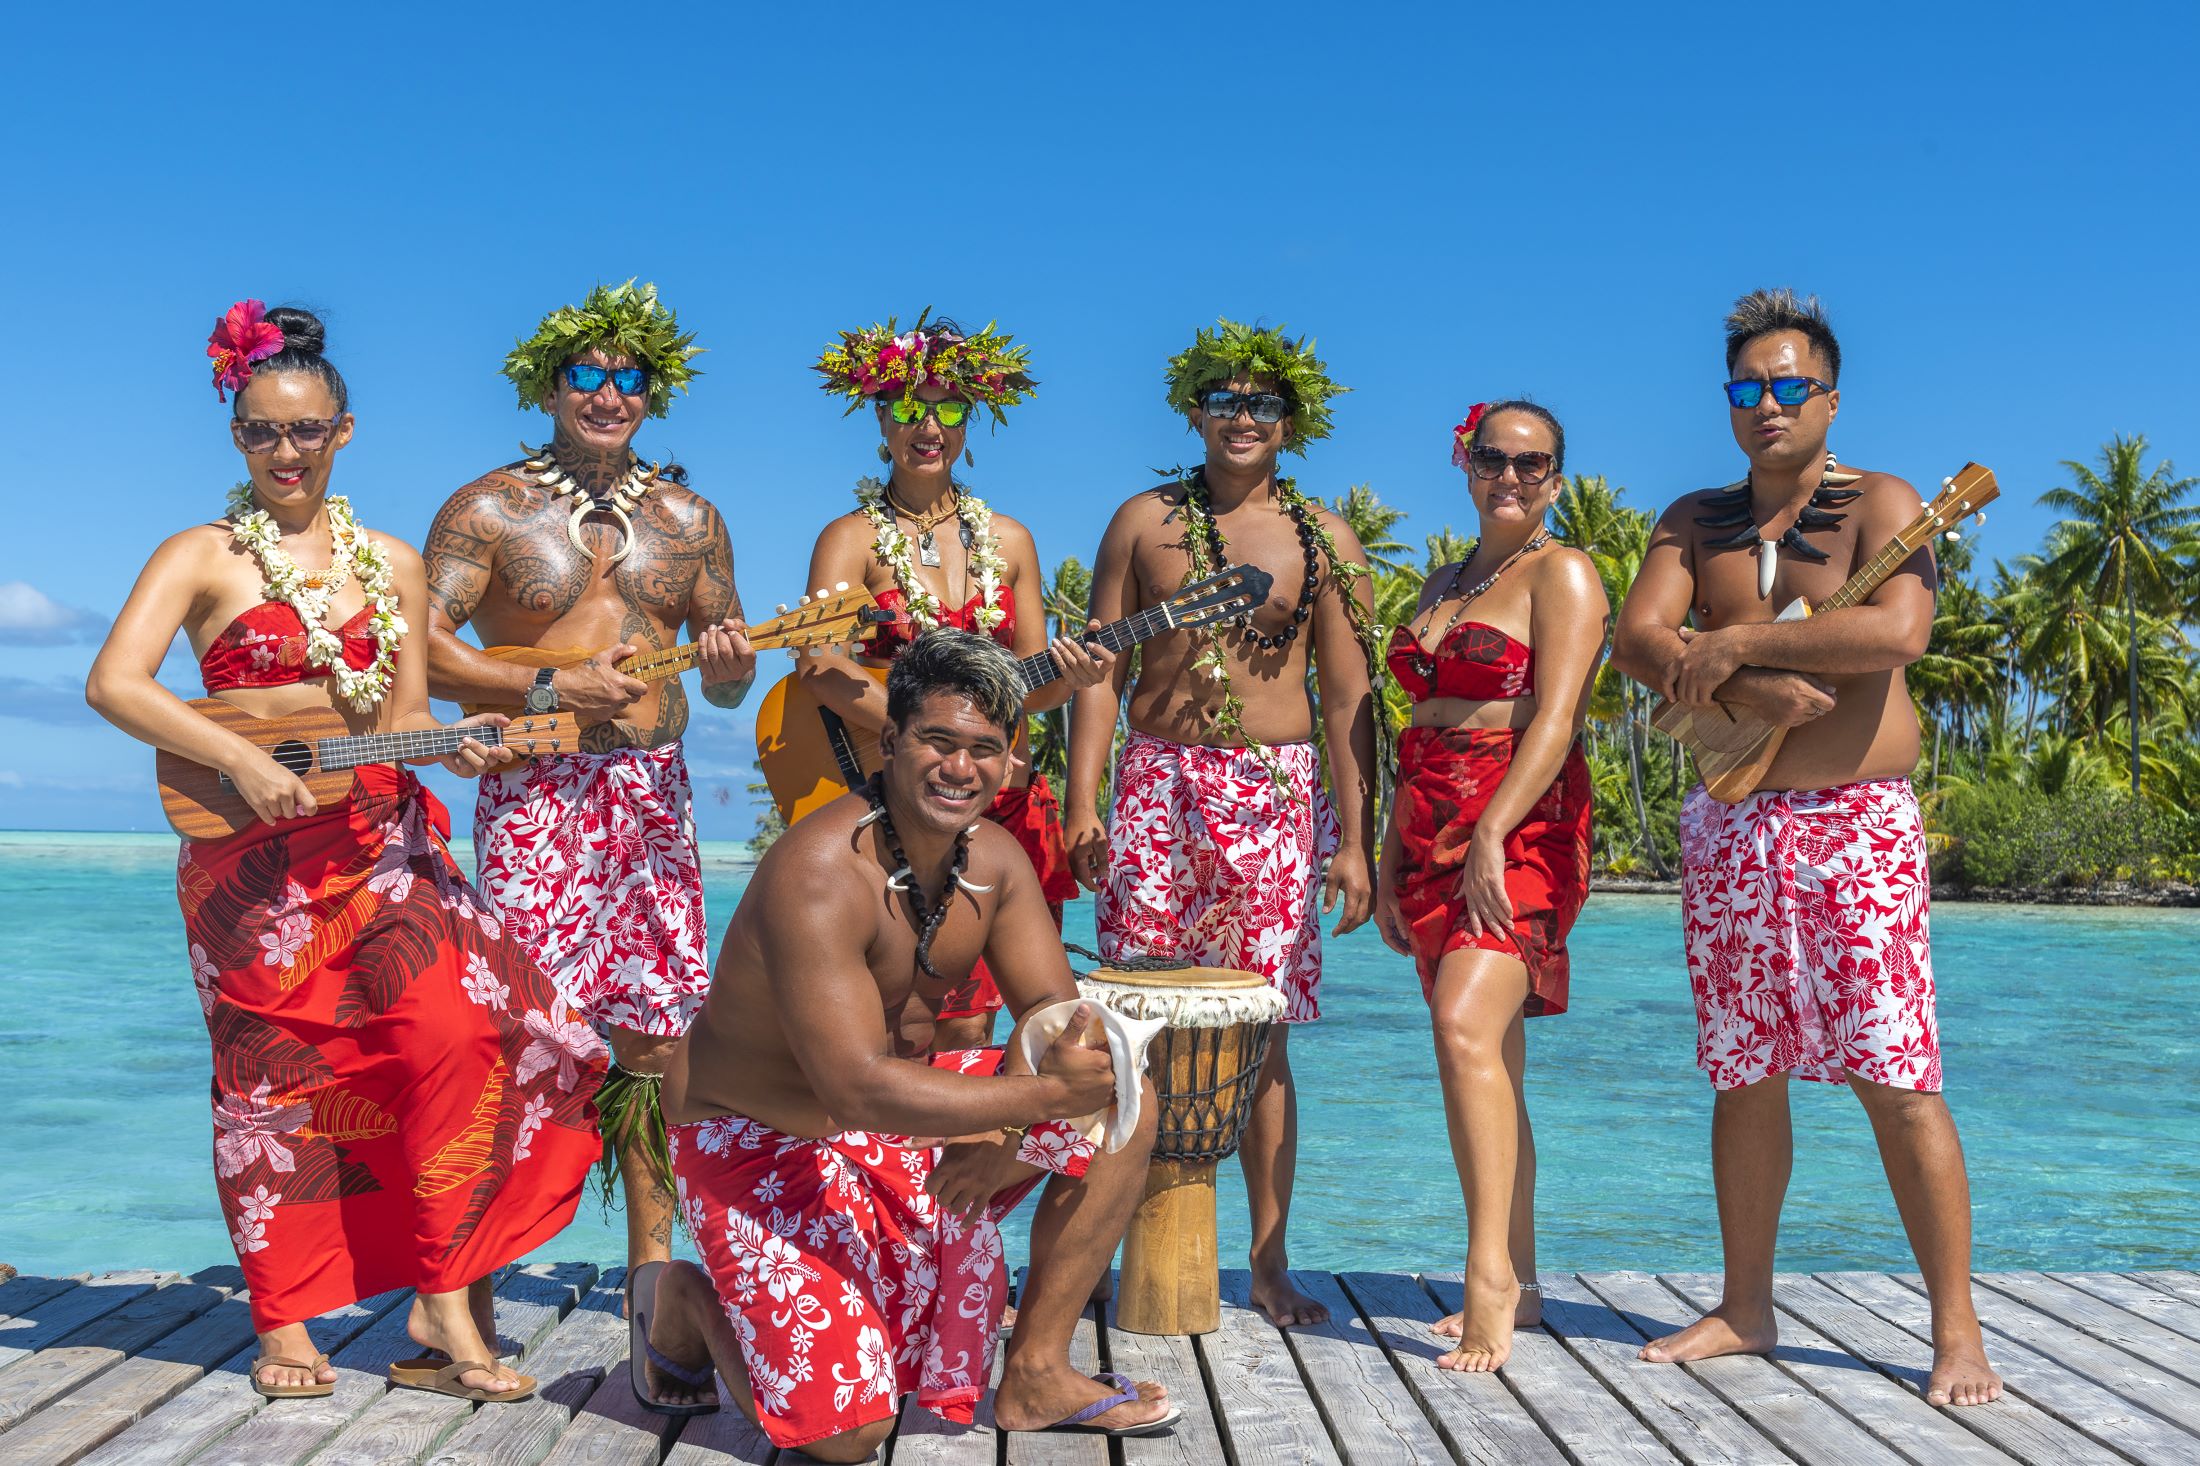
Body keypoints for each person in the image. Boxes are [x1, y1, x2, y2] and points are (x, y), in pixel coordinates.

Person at [86, 302, 604, 1403]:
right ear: (236, 437)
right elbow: (115, 683)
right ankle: (286, 1315)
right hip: (253, 865)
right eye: (262, 433)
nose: (285, 452)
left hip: (382, 842)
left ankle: (441, 1299)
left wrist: (461, 748)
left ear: (344, 430)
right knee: (274, 1085)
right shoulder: (202, 553)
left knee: (472, 1034)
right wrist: (239, 755)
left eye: (306, 430)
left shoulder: (392, 563)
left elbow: (404, 718)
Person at [642, 630, 1176, 1460]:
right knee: (850, 1436)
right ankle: (685, 1300)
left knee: (1125, 1103)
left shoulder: (994, 862)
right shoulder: (819, 872)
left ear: (1010, 765)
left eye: (985, 750)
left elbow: (1060, 1023)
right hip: (758, 1142)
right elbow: (854, 1086)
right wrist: (1035, 1106)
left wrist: (1024, 1126)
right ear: (890, 743)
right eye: (938, 741)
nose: (960, 768)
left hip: (896, 1123)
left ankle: (1034, 1371)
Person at [1609, 288, 2001, 1406]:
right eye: (1748, 387)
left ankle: (1957, 1328)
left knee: (1897, 1075)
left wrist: (1724, 638)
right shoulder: (1694, 517)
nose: (1768, 403)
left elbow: (1898, 631)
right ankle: (1744, 1302)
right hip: (1731, 824)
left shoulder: (1882, 502)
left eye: (1789, 385)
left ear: (1829, 396)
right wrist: (1737, 673)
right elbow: (1637, 636)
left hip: (1856, 826)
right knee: (1744, 1073)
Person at [421, 282, 755, 1284]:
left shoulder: (691, 518)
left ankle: (651, 1281)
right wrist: (544, 678)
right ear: (548, 384)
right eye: (587, 374)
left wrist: (734, 662)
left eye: (629, 377)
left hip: (653, 790)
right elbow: (422, 650)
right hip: (536, 788)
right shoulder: (486, 508)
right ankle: (474, 1287)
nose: (608, 394)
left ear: (654, 390)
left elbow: (730, 682)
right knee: (516, 1029)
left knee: (655, 1036)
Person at [1066, 319, 1382, 1328]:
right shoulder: (1140, 521)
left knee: (1265, 1032)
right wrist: (1082, 798)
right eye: (1224, 400)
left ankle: (1269, 1260)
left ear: (1290, 422)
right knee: (1132, 1027)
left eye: (1261, 404)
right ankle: (1116, 1252)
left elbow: (1346, 699)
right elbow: (1100, 677)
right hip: (1156, 788)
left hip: (1277, 795)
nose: (1242, 417)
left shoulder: (1322, 537)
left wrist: (1353, 838)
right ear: (1193, 412)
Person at [796, 312, 1112, 1049]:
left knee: (985, 1023)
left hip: (1001, 804)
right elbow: (819, 663)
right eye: (909, 406)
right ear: (880, 416)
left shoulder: (1010, 541)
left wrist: (1069, 680)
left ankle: (968, 1160)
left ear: (971, 420)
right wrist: (919, 738)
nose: (928, 425)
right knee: (895, 1016)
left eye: (949, 407)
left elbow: (1033, 684)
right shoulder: (850, 539)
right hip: (896, 803)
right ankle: (885, 1161)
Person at [1374, 400, 1606, 1372]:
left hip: (1521, 812)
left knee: (1464, 1026)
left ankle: (1488, 1283)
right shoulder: (1442, 579)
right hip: (1426, 813)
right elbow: (1414, 718)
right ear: (1463, 460)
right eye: (1492, 457)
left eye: (1531, 462)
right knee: (1491, 1056)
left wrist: (1495, 829)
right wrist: (1391, 849)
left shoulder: (1563, 571)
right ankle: (1526, 1268)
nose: (1509, 475)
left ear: (1554, 476)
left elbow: (1555, 716)